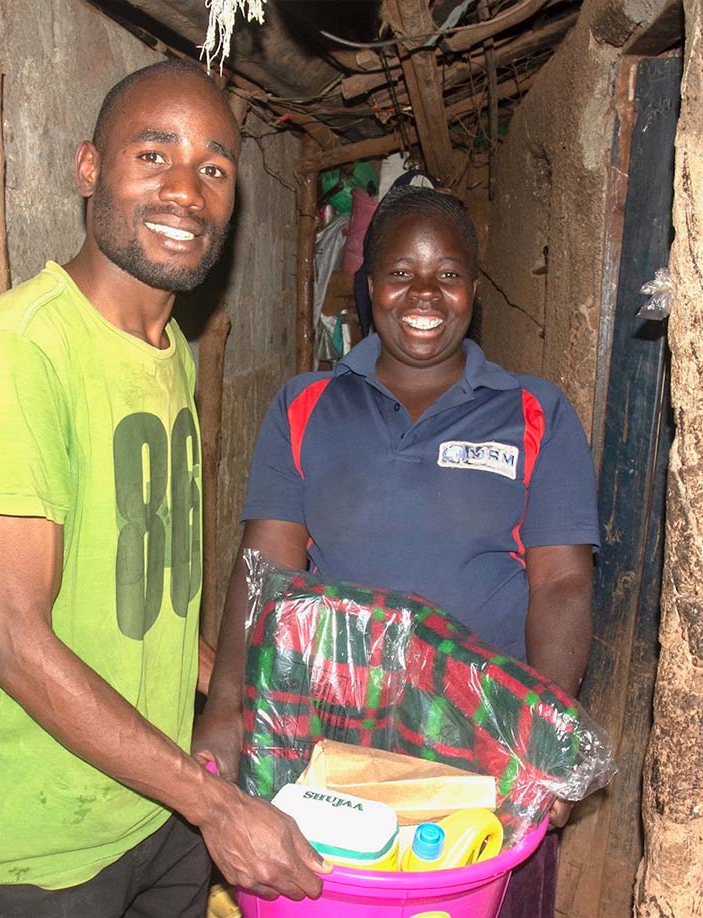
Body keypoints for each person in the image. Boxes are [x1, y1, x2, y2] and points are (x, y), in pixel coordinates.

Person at [0, 59, 328, 918]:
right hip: (47, 844)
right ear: (88, 169)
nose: (185, 190)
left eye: (214, 169)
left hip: (159, 807)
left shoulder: (171, 352)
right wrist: (218, 805)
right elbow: (13, 642)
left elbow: (140, 595)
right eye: (153, 155)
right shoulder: (21, 354)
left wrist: (244, 693)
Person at [195, 186, 599, 918]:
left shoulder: (535, 412)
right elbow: (264, 573)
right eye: (400, 272)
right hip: (330, 754)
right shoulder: (305, 404)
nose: (423, 293)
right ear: (368, 287)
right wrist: (226, 708)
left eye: (446, 274)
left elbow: (564, 584)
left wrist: (543, 743)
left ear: (474, 293)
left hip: (482, 757)